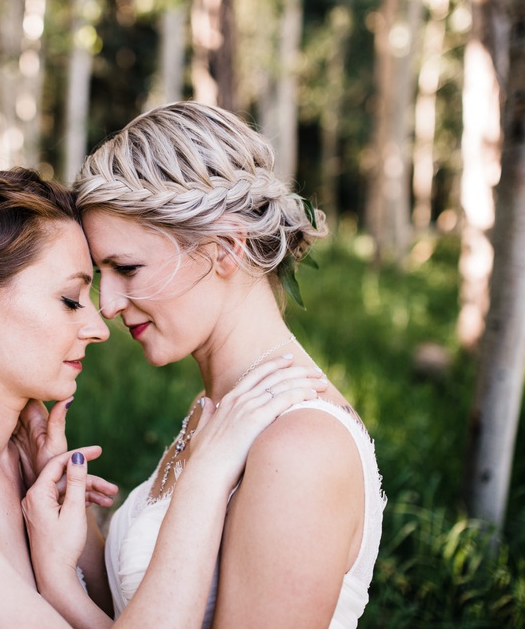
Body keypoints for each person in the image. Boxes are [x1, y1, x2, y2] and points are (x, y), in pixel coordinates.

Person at [0, 162, 324, 628]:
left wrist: (75, 543)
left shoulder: (28, 466)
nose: (99, 326)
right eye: (69, 299)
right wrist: (204, 479)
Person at [26, 101, 386, 629]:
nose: (109, 304)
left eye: (126, 268)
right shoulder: (217, 409)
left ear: (224, 247)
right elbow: (143, 605)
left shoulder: (299, 448)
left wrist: (61, 590)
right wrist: (70, 511)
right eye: (103, 273)